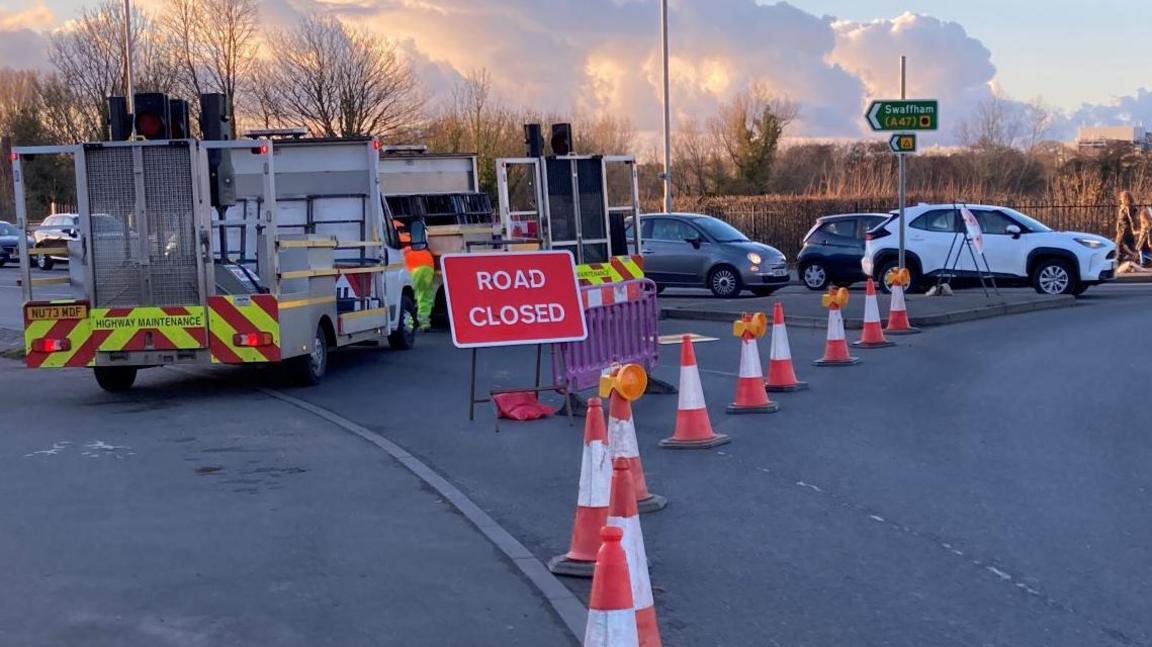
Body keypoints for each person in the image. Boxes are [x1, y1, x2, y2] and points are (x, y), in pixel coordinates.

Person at [394, 218, 435, 332]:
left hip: (411, 268)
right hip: (427, 264)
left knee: (412, 296)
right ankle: (424, 322)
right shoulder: (412, 236)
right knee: (425, 296)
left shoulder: (394, 240)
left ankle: (413, 323)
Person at [1114, 191, 1139, 266]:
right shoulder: (1123, 207)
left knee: (1120, 245)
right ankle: (1122, 260)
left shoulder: (1128, 207)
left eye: (1121, 197)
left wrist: (1134, 228)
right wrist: (1117, 227)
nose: (1120, 199)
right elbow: (1119, 219)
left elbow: (1132, 219)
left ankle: (1123, 260)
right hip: (1121, 230)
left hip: (1125, 230)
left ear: (1125, 198)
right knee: (1123, 246)